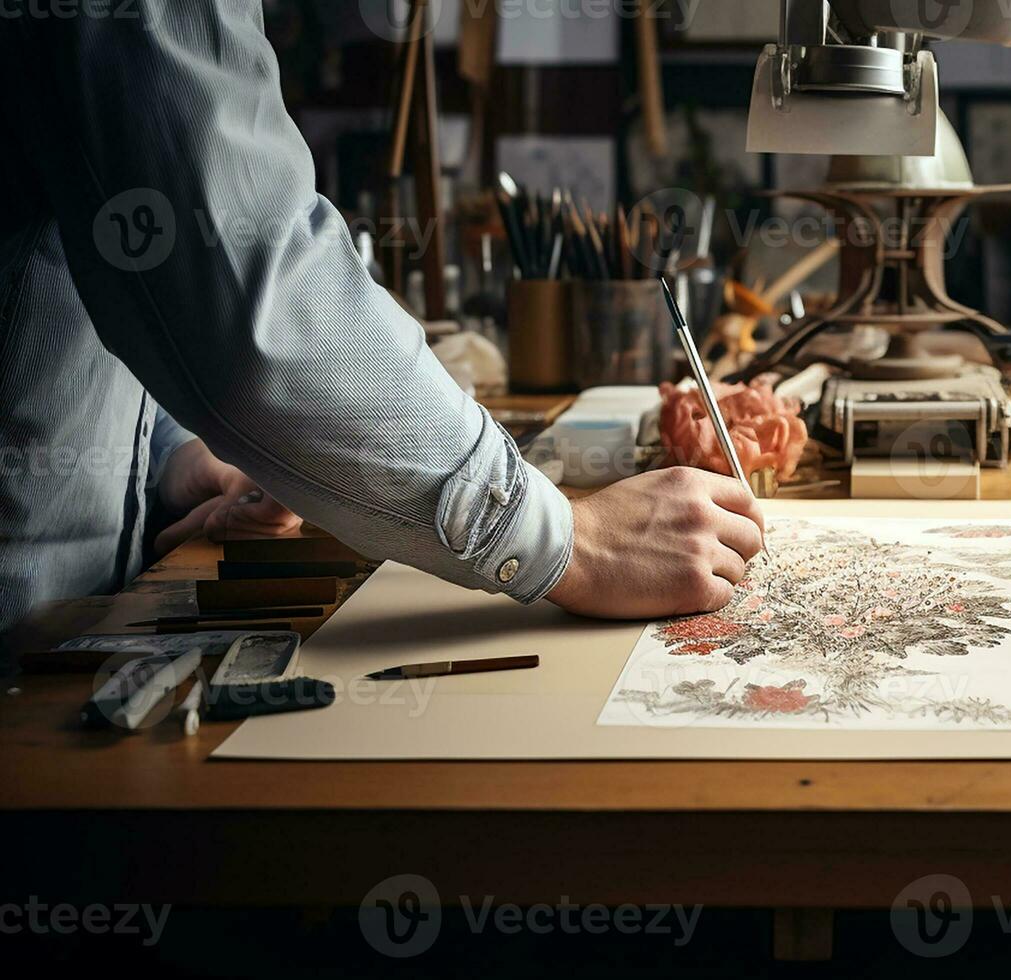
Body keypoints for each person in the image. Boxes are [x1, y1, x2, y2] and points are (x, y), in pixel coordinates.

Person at [0, 3, 762, 638]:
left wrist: (174, 461)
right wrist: (570, 541)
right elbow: (253, 292)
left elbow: (115, 279)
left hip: (75, 612)